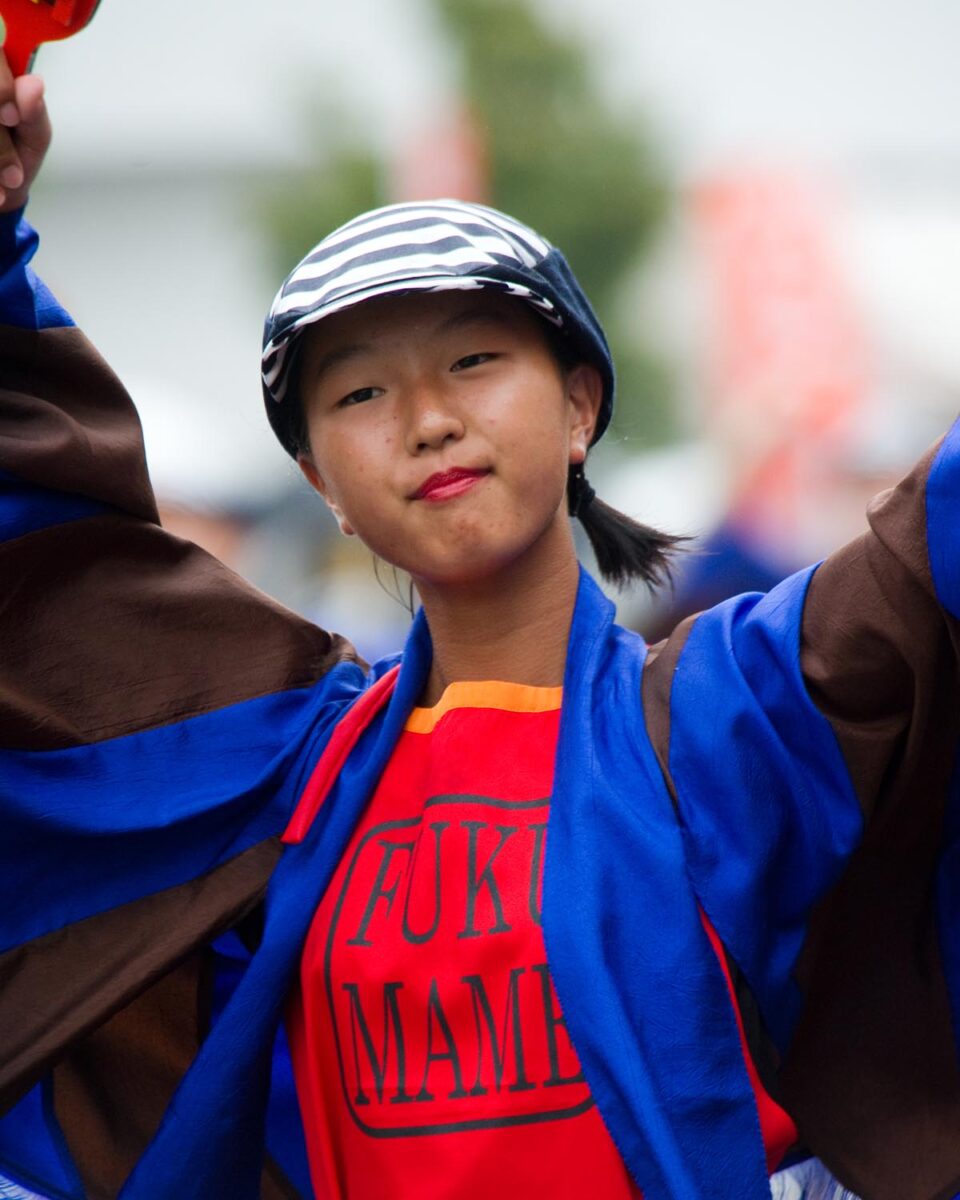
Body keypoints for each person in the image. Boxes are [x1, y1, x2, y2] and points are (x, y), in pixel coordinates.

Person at [0, 54, 958, 1200]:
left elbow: (929, 560)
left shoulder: (737, 712)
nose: (429, 419)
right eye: (359, 393)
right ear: (320, 481)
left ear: (580, 406)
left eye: (475, 359)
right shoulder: (272, 768)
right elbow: (39, 554)